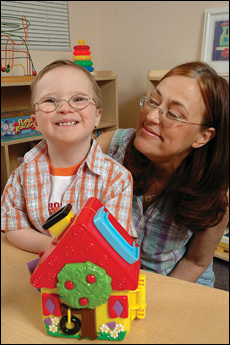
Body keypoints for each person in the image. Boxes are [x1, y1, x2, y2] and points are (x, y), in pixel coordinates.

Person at [97, 61, 229, 287]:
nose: (151, 117)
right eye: (153, 102)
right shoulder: (109, 148)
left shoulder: (216, 194)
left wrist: (152, 299)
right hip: (111, 275)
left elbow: (196, 262)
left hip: (177, 280)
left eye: (174, 114)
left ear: (203, 137)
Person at [1, 60, 136, 253]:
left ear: (97, 116)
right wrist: (51, 247)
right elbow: (12, 225)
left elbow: (116, 242)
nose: (64, 108)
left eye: (79, 99)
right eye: (50, 101)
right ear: (35, 122)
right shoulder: (21, 175)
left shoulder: (117, 179)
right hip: (41, 265)